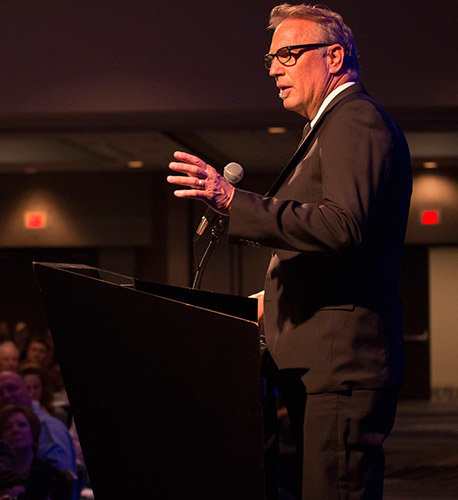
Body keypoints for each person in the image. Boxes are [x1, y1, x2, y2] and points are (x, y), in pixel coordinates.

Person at [167, 4, 411, 498]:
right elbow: (332, 245)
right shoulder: (328, 126)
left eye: (289, 54)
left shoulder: (354, 118)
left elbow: (343, 226)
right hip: (322, 365)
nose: (275, 69)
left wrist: (234, 201)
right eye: (271, 58)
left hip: (340, 365)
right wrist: (271, 296)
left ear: (335, 56)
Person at [0, 372, 76, 479]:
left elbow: (63, 482)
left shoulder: (49, 428)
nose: (6, 396)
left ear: (29, 392)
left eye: (12, 389)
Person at [0, 405, 73, 500]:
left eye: (22, 425)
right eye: (7, 427)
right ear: (1, 438)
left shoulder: (52, 478)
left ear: (33, 433)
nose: (15, 430)